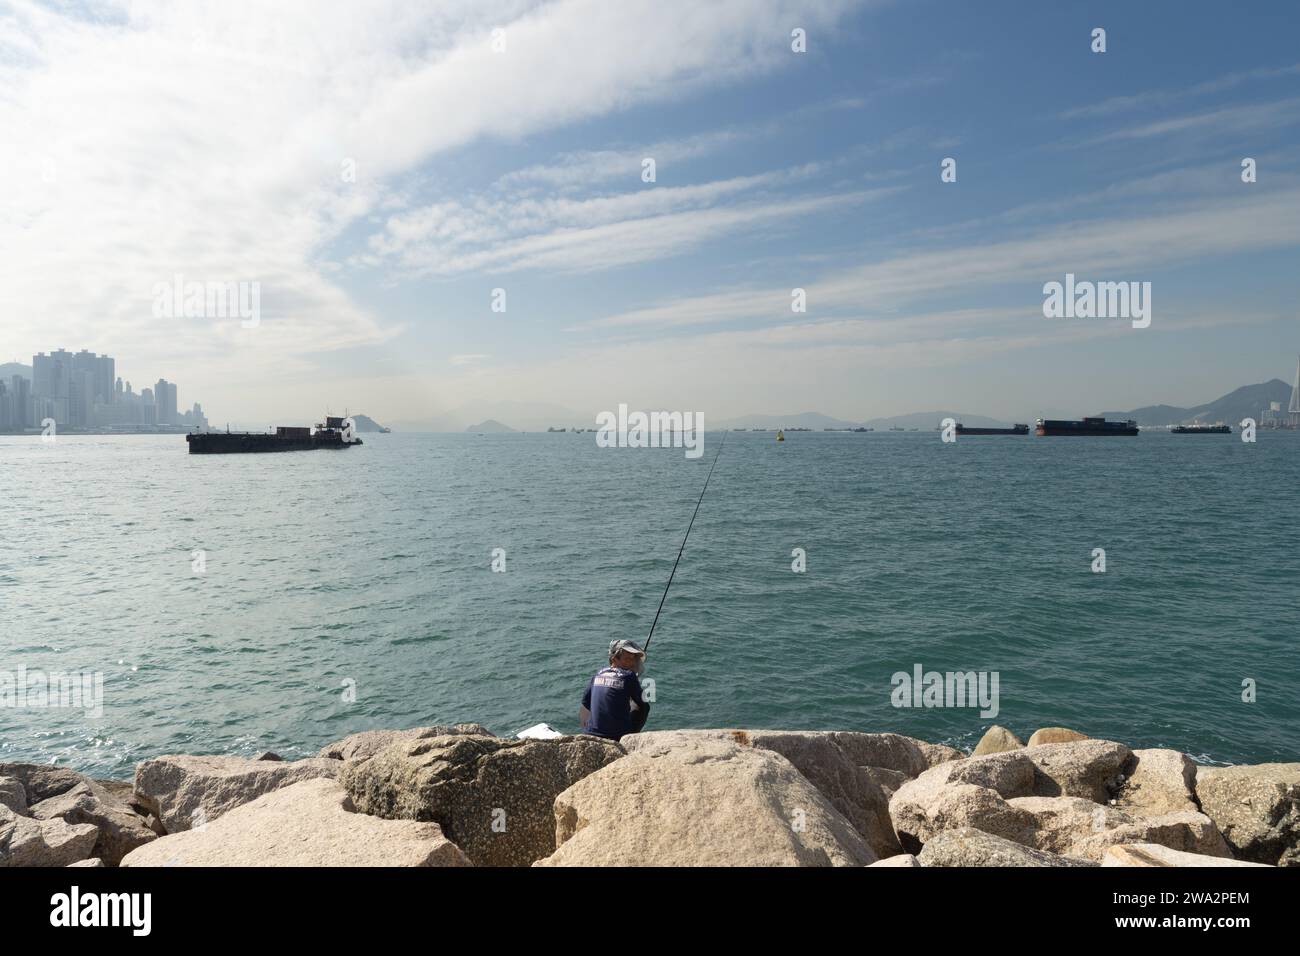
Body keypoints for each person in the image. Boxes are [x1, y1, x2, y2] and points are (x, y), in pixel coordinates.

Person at [579, 639, 650, 740]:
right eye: (627, 659)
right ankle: (629, 739)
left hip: (590, 733)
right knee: (643, 706)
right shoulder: (629, 676)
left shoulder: (598, 674)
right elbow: (643, 702)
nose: (632, 663)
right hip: (616, 736)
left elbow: (586, 703)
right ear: (614, 659)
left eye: (633, 659)